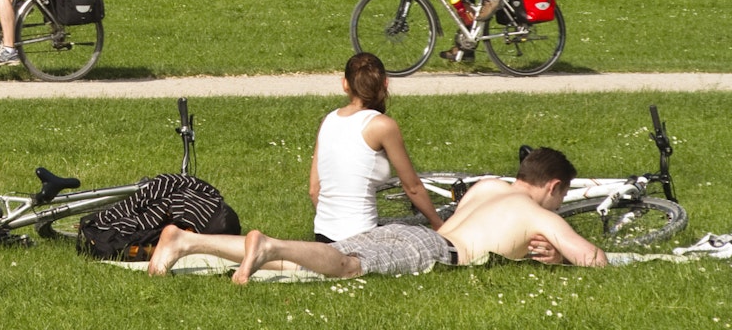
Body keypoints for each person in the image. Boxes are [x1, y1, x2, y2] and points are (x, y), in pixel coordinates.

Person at [148, 146, 606, 284]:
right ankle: (267, 244)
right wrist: (563, 258)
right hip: (432, 249)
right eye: (561, 199)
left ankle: (185, 240)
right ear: (554, 187)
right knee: (347, 268)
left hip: (405, 232)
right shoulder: (539, 214)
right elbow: (595, 260)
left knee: (309, 261)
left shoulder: (490, 187)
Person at [313, 53, 446, 243]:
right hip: (360, 237)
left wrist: (334, 226)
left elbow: (314, 189)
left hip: (323, 237)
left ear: (345, 84)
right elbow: (413, 187)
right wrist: (438, 225)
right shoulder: (382, 125)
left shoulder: (329, 120)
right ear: (385, 83)